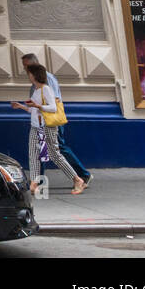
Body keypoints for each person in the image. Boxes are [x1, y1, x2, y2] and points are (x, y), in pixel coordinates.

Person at [21, 53, 92, 188]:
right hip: (41, 121)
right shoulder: (37, 82)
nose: (24, 69)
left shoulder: (47, 79)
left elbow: (54, 102)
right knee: (40, 150)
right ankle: (38, 181)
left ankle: (82, 175)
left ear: (33, 65)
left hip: (50, 121)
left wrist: (38, 107)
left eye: (26, 66)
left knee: (58, 150)